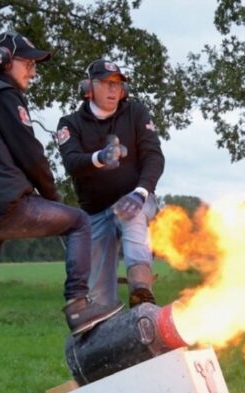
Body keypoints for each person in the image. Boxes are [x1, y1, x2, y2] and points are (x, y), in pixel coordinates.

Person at [0, 33, 123, 393]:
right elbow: (31, 153)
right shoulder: (3, 95)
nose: (33, 70)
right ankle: (78, 305)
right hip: (2, 205)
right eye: (28, 63)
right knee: (76, 221)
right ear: (5, 59)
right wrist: (52, 198)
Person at [56, 59, 164, 310]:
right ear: (88, 87)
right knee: (98, 296)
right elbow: (72, 162)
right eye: (106, 83)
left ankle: (141, 292)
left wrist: (140, 193)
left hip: (135, 197)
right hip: (94, 212)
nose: (113, 89)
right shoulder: (70, 123)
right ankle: (105, 328)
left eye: (117, 84)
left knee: (132, 215)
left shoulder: (136, 113)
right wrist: (99, 158)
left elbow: (154, 156)